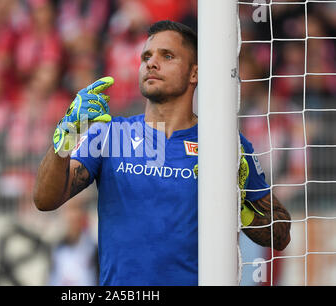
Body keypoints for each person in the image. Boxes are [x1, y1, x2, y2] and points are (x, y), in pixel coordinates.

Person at [33, 20, 291, 286]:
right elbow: (44, 199)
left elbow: (281, 235)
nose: (151, 63)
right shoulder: (110, 135)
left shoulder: (224, 145)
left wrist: (236, 204)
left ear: (195, 73)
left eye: (167, 56)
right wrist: (66, 137)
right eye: (146, 56)